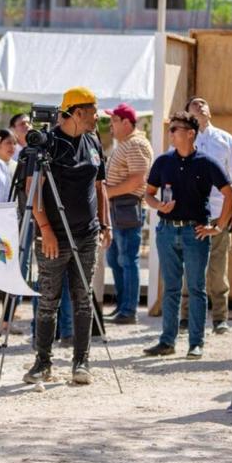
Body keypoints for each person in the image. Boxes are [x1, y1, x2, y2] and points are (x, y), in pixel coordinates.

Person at [23, 87, 111, 386]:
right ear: (76, 112)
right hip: (53, 237)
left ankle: (81, 362)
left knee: (83, 298)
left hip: (87, 235)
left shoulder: (93, 141)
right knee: (48, 300)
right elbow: (31, 191)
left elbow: (101, 187)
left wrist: (105, 225)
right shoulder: (48, 144)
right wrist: (45, 229)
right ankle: (42, 362)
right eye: (93, 111)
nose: (97, 117)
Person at [142, 112, 232, 359]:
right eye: (170, 129)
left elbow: (230, 195)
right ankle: (167, 341)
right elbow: (148, 193)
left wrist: (219, 227)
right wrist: (157, 206)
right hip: (166, 230)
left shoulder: (207, 162)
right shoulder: (163, 162)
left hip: (195, 231)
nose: (170, 132)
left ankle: (196, 343)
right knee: (171, 289)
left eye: (175, 129)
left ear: (190, 133)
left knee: (196, 288)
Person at [177, 96, 232, 334]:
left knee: (218, 268)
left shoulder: (225, 139)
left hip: (219, 214)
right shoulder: (181, 138)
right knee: (191, 267)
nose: (201, 106)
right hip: (191, 215)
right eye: (194, 104)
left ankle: (219, 319)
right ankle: (185, 317)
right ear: (188, 114)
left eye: (204, 103)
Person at [102, 102, 152, 325]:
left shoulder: (135, 145)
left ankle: (128, 310)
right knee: (116, 258)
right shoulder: (127, 143)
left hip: (126, 205)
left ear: (126, 122)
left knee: (126, 259)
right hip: (117, 206)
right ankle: (124, 306)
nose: (110, 125)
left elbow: (137, 180)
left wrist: (106, 192)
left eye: (114, 120)